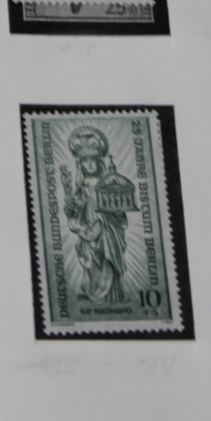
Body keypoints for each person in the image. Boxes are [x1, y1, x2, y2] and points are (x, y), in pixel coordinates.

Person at [61, 127, 128, 304]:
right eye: (85, 161)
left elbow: (119, 204)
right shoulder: (82, 186)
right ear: (80, 164)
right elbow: (75, 206)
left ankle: (113, 294)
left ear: (100, 162)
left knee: (110, 256)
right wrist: (70, 207)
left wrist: (118, 214)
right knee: (91, 258)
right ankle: (93, 291)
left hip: (107, 225)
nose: (89, 164)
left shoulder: (108, 182)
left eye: (93, 160)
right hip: (89, 225)